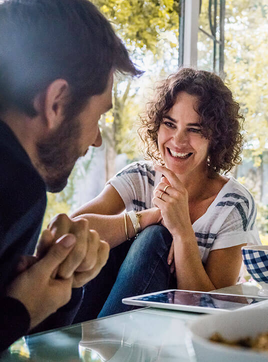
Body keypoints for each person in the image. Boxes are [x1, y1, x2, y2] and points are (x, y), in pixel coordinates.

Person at [0, 0, 141, 352]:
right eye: (98, 115)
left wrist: (53, 291)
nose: (96, 139)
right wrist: (20, 310)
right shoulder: (16, 183)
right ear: (56, 103)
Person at [72, 68, 261, 322]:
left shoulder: (233, 204)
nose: (178, 140)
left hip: (180, 333)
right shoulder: (140, 177)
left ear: (215, 138)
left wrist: (182, 231)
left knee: (154, 238)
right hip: (102, 317)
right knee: (122, 237)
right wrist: (151, 216)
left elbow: (212, 311)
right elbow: (68, 233)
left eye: (194, 129)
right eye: (170, 124)